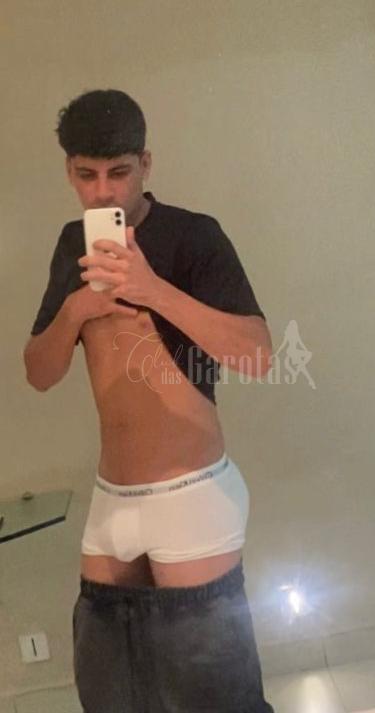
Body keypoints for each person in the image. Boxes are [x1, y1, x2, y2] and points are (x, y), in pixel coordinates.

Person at [24, 89, 274, 713]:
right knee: (111, 694)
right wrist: (75, 310)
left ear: (145, 163)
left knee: (216, 698)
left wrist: (152, 289)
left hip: (193, 492)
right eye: (87, 175)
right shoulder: (72, 244)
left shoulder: (194, 235)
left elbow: (258, 355)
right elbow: (39, 372)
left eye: (119, 172)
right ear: (69, 172)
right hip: (113, 498)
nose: (103, 192)